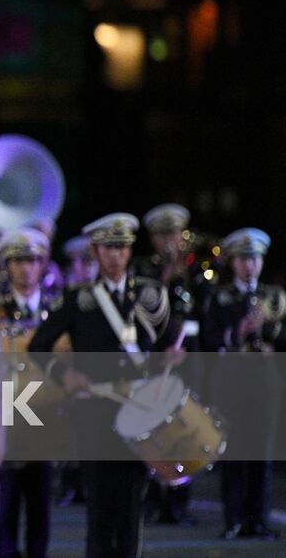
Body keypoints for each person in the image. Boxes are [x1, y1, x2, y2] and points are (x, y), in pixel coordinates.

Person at [27, 212, 172, 558]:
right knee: (100, 513)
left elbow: (170, 343)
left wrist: (171, 358)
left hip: (139, 414)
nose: (116, 255)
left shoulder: (148, 296)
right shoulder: (78, 300)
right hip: (95, 417)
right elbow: (37, 347)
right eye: (108, 248)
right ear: (95, 252)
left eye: (122, 248)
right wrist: (66, 376)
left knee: (132, 510)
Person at [0, 228, 57, 558]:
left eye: (33, 261)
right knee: (7, 498)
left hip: (47, 413)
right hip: (7, 413)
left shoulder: (55, 308)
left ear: (42, 265)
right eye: (19, 261)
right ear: (7, 266)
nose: (26, 269)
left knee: (41, 498)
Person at [201, 227, 283, 542]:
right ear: (233, 262)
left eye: (255, 258)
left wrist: (271, 336)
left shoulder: (275, 297)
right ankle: (233, 519)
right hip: (232, 383)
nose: (250, 265)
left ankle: (258, 520)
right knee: (233, 452)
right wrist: (239, 331)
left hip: (265, 383)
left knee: (261, 455)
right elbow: (209, 339)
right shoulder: (220, 297)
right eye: (244, 259)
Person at [139, 203, 200, 526]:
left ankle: (178, 504)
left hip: (186, 360)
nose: (170, 241)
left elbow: (200, 315)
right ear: (153, 238)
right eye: (163, 235)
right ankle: (151, 501)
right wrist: (166, 278)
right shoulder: (144, 270)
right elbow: (145, 312)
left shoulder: (195, 271)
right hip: (155, 359)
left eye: (174, 234)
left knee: (183, 432)